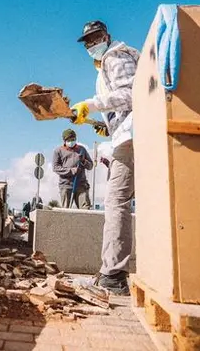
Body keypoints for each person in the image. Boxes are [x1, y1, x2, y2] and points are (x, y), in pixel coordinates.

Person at [70, 20, 139, 296]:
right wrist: (104, 124)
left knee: (116, 201)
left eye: (95, 38)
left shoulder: (114, 56)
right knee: (124, 201)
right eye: (87, 41)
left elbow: (130, 94)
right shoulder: (105, 65)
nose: (91, 44)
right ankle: (115, 272)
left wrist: (91, 104)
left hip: (132, 137)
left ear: (106, 37)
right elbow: (119, 102)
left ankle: (113, 274)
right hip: (127, 133)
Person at [52, 128, 94, 209]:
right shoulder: (58, 151)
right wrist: (72, 171)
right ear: (64, 140)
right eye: (69, 140)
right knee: (66, 211)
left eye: (73, 139)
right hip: (66, 186)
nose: (71, 141)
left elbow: (91, 166)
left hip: (81, 185)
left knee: (85, 209)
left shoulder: (82, 150)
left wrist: (84, 161)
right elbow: (56, 168)